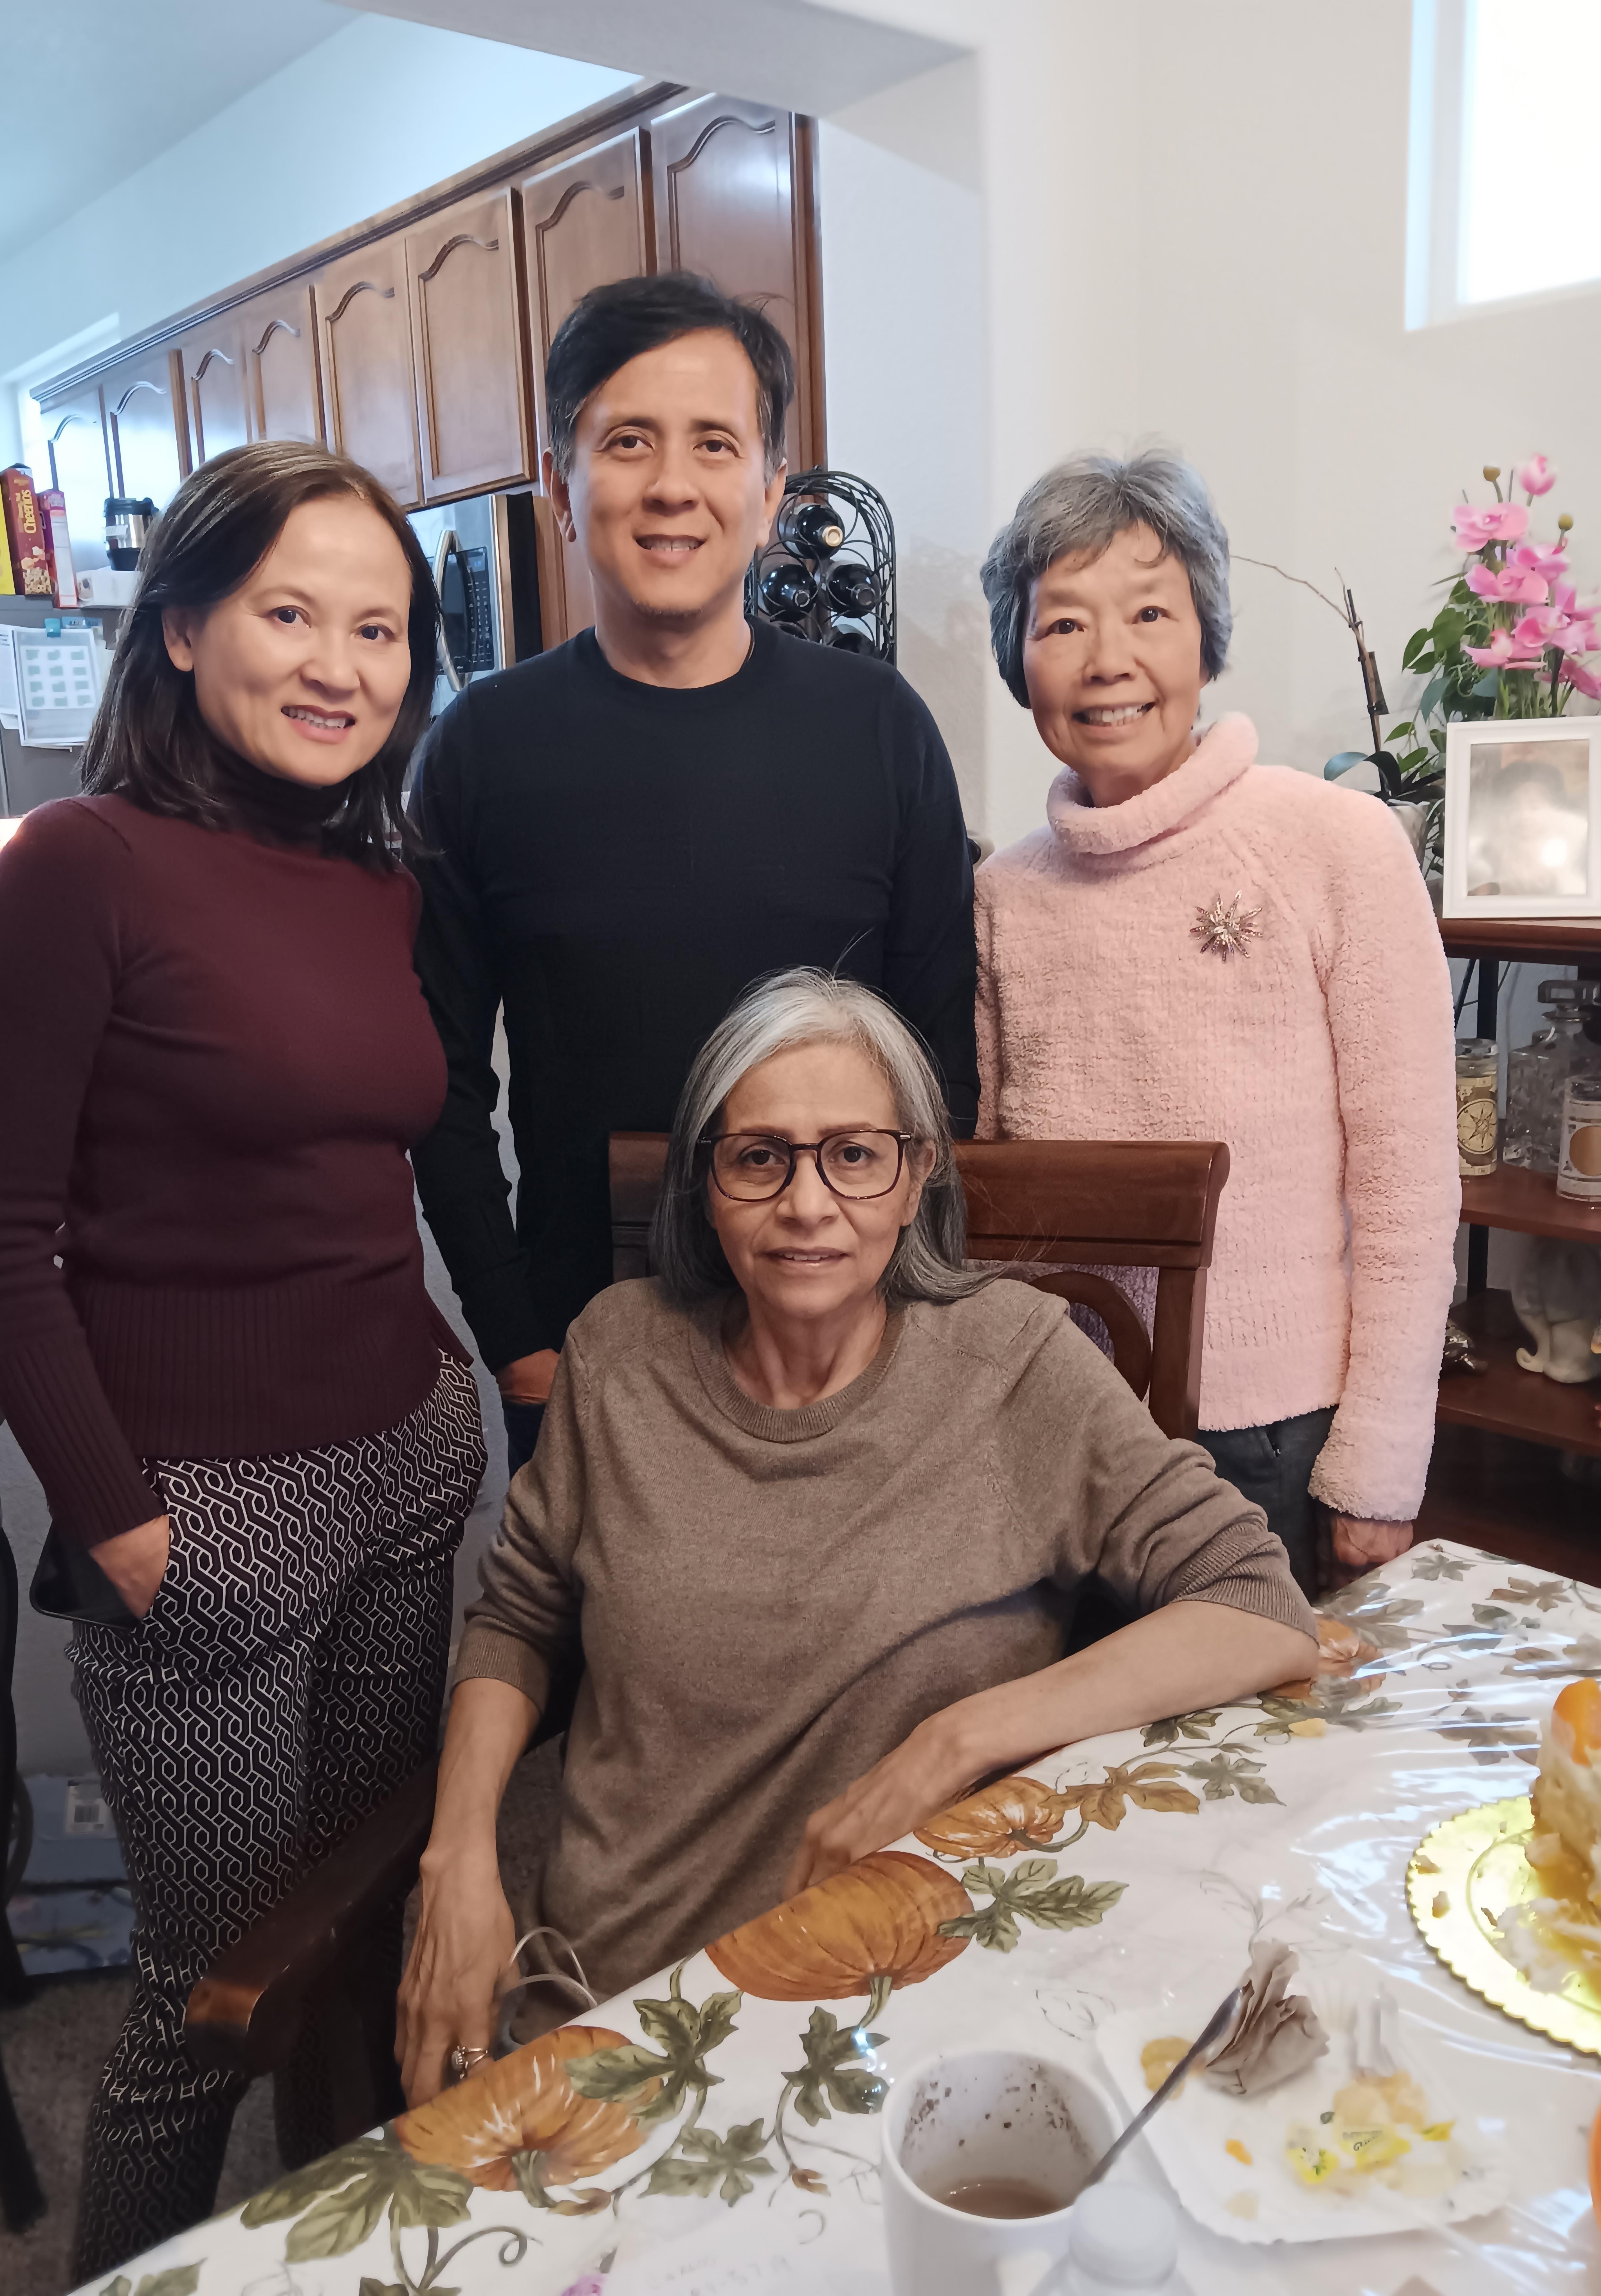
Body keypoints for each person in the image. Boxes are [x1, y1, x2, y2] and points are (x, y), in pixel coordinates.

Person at [394, 969, 1316, 2104]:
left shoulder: (1016, 1363)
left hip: (902, 2018)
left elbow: (1260, 1605)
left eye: (855, 1154)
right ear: (706, 1180)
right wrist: (458, 1861)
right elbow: (519, 1614)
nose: (808, 1203)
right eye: (759, 1156)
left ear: (917, 1173)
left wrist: (955, 1743)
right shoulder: (617, 1353)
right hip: (611, 1996)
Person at [0, 442, 487, 2277]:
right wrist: (120, 1523)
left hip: (408, 1469)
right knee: (202, 2006)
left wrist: (444, 1385)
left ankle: (343, 2249)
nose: (343, 664)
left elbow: (378, 1162)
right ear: (181, 625)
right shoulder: (76, 873)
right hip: (209, 1525)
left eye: (382, 628)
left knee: (361, 1923)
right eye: (290, 614)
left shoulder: (375, 877)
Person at [410, 272, 979, 1474]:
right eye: (627, 442)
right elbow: (442, 1084)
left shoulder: (879, 729)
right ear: (563, 483)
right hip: (583, 1336)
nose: (673, 484)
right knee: (600, 1662)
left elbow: (940, 1063)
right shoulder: (480, 749)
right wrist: (510, 1332)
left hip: (852, 1330)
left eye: (715, 443)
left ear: (772, 490)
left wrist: (921, 1303)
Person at [974, 451, 1460, 1595]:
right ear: (1018, 658)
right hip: (1064, 1428)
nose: (1111, 662)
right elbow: (998, 1185)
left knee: (1267, 1760)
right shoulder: (1006, 891)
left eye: (1151, 612)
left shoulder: (1337, 844)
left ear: (1206, 635)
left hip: (1274, 1441)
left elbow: (1407, 1182)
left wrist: (1379, 1465)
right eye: (1064, 625)